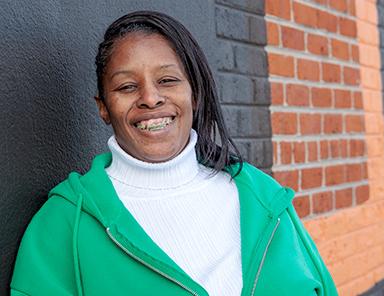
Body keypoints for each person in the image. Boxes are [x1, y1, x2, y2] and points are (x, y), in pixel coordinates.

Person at [10, 11, 337, 296]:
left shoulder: (264, 199)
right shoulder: (64, 225)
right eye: (127, 87)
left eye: (167, 80)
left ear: (194, 94)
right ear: (103, 108)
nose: (150, 98)